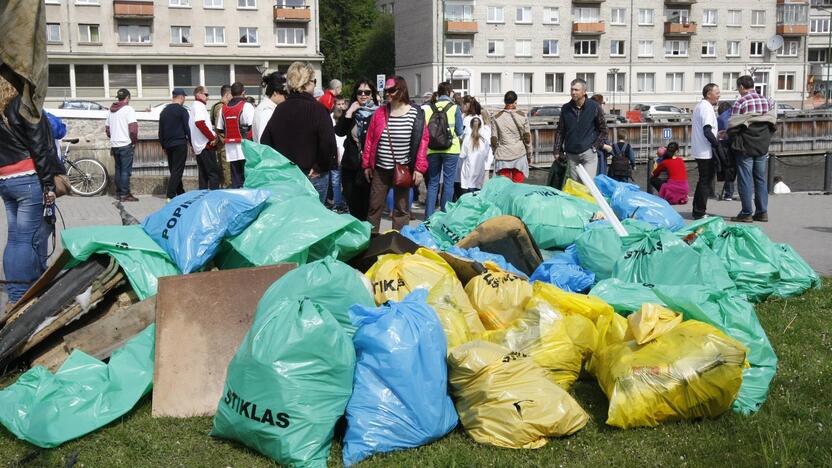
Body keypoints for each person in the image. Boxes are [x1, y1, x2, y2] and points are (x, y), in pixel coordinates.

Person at [0, 76, 62, 306]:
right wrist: (48, 185)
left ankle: (21, 291)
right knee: (26, 239)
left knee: (16, 238)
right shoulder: (23, 104)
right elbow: (40, 146)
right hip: (28, 177)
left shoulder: (3, 109)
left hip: (5, 179)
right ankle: (20, 298)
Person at [260, 62, 337, 204]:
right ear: (307, 83)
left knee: (292, 220)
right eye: (314, 81)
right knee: (315, 220)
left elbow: (265, 143)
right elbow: (329, 144)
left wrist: (280, 168)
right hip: (313, 175)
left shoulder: (280, 110)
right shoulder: (319, 110)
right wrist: (319, 167)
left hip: (287, 176)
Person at [362, 76, 428, 232]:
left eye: (391, 90)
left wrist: (419, 168)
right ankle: (372, 243)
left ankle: (398, 244)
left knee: (401, 210)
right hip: (380, 169)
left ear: (402, 90)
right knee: (374, 208)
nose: (387, 94)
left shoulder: (415, 114)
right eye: (386, 91)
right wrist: (366, 165)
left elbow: (423, 143)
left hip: (403, 169)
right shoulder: (379, 113)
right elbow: (370, 140)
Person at [727, 75, 776, 223]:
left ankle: (746, 213)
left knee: (745, 180)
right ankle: (762, 212)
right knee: (760, 179)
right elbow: (771, 123)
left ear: (741, 87)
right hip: (762, 145)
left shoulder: (740, 102)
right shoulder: (767, 101)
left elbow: (733, 125)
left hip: (745, 147)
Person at [335, 79, 379, 221]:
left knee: (367, 207)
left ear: (372, 94)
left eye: (367, 92)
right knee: (353, 206)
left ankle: (367, 238)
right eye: (360, 92)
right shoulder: (351, 112)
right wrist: (349, 113)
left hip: (369, 168)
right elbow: (340, 132)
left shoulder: (378, 114)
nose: (363, 95)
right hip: (350, 166)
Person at [553, 79, 608, 181]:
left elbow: (604, 130)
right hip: (571, 154)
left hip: (588, 153)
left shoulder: (594, 107)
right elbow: (560, 130)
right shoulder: (566, 108)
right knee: (575, 186)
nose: (573, 92)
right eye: (572, 89)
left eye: (576, 90)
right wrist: (557, 150)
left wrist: (595, 147)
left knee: (587, 185)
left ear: (584, 92)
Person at [423, 81, 463, 217]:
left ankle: (428, 216)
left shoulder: (429, 108)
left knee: (433, 183)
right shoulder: (454, 108)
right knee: (448, 183)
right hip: (451, 150)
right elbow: (459, 131)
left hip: (432, 150)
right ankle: (444, 215)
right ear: (449, 93)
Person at [215, 82, 255, 189]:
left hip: (230, 149)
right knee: (248, 179)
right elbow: (253, 127)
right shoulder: (247, 106)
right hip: (245, 146)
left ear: (231, 93)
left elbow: (219, 128)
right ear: (243, 93)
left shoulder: (223, 108)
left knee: (236, 179)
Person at [691, 83, 721, 219]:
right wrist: (717, 145)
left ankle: (697, 209)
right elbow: (707, 130)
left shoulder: (699, 106)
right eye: (717, 93)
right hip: (706, 151)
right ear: (709, 94)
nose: (719, 95)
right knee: (705, 181)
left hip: (699, 149)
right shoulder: (707, 108)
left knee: (702, 180)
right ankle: (699, 211)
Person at [490, 91, 533, 183]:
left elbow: (494, 139)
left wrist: (495, 152)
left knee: (504, 186)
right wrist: (529, 154)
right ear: (515, 101)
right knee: (518, 186)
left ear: (505, 102)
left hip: (503, 155)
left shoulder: (496, 117)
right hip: (519, 154)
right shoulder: (522, 116)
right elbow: (527, 138)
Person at [105, 88, 138, 201]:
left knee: (118, 170)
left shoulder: (110, 111)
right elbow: (133, 129)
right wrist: (133, 141)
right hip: (125, 143)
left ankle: (119, 193)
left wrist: (113, 138)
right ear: (127, 98)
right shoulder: (128, 109)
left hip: (114, 144)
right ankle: (125, 194)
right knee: (125, 171)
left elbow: (108, 129)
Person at [158, 88, 192, 200]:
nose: (184, 100)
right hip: (179, 143)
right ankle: (170, 195)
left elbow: (160, 130)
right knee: (177, 170)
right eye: (184, 97)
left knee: (173, 169)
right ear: (181, 97)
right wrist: (192, 143)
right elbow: (187, 129)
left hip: (168, 144)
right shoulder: (182, 111)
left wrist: (163, 145)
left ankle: (180, 192)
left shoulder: (164, 111)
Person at [188, 86, 221, 190]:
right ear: (198, 94)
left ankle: (202, 197)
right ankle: (214, 198)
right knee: (213, 173)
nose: (208, 97)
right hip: (205, 145)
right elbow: (200, 123)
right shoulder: (199, 105)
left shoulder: (194, 106)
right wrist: (212, 138)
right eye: (206, 94)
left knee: (203, 174)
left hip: (199, 145)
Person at [458, 116, 492, 194]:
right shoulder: (484, 140)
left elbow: (462, 155)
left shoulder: (467, 138)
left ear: (470, 125)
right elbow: (486, 155)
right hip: (479, 170)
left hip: (468, 170)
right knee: (476, 192)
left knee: (467, 191)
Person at [252, 71, 287, 143]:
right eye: (285, 94)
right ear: (275, 93)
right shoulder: (267, 111)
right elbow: (263, 142)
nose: (286, 98)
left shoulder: (266, 107)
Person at [329, 95, 348, 212]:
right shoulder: (330, 118)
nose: (341, 107)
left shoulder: (347, 117)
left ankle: (345, 202)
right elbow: (332, 138)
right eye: (338, 104)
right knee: (335, 181)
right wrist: (336, 153)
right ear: (334, 105)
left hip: (346, 153)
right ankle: (337, 203)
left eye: (342, 104)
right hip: (335, 153)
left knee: (345, 181)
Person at [210, 84, 232, 187]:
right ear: (227, 94)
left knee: (224, 170)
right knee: (226, 171)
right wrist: (225, 140)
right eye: (231, 95)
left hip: (222, 144)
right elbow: (220, 127)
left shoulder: (216, 106)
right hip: (224, 144)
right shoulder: (221, 107)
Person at [590, 94, 613, 176]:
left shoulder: (593, 114)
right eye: (601, 104)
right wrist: (604, 146)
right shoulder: (594, 116)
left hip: (599, 152)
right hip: (597, 153)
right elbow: (590, 136)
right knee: (598, 178)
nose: (602, 106)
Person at [716, 101, 735, 201]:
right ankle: (731, 193)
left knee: (727, 168)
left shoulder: (720, 119)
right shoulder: (732, 115)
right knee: (733, 169)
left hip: (724, 146)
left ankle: (728, 194)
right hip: (735, 145)